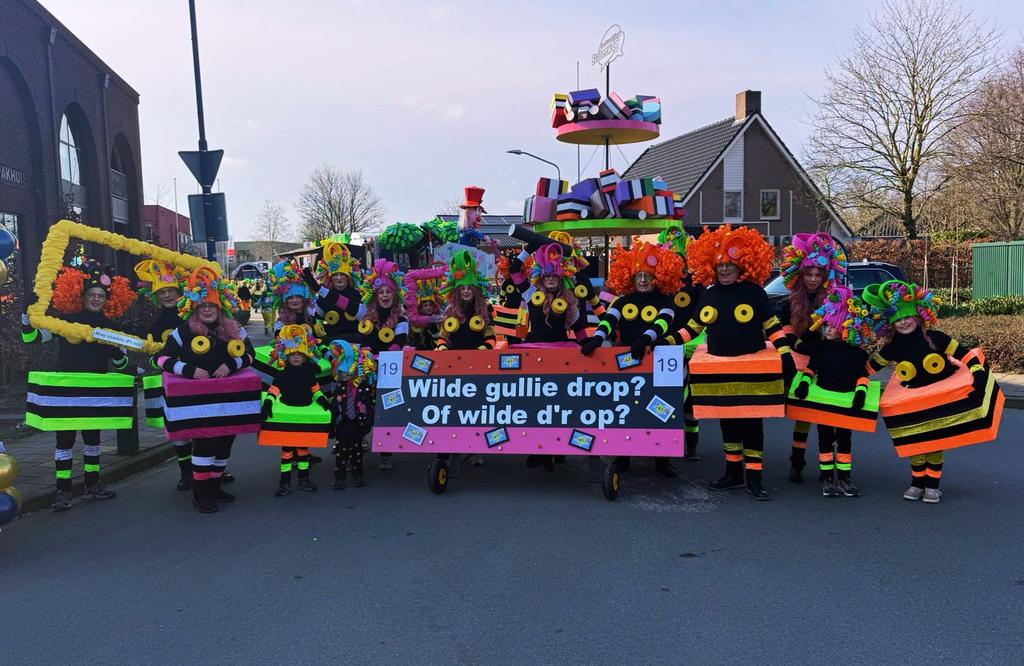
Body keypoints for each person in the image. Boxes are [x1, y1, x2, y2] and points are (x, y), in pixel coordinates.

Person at [666, 225, 795, 501]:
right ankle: (733, 472)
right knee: (728, 423)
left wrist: (785, 354)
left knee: (752, 424)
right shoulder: (709, 295)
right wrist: (663, 343)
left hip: (751, 368)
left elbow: (772, 326)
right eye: (720, 264)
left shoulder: (755, 293)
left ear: (742, 263)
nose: (724, 269)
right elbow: (692, 327)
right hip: (720, 369)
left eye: (729, 264)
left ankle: (755, 478)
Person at [863, 280, 1003, 504]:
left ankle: (932, 487)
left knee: (935, 442)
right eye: (896, 320)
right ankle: (917, 483)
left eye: (906, 316)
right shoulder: (892, 348)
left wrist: (978, 375)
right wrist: (849, 377)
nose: (902, 322)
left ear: (918, 316)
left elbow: (967, 356)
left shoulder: (936, 338)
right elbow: (870, 367)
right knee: (916, 442)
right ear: (890, 324)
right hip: (914, 399)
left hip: (941, 398)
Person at [22, 259, 136, 511]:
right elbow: (31, 338)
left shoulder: (111, 327)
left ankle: (92, 485)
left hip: (95, 392)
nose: (96, 299)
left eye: (100, 295)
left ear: (107, 299)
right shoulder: (65, 321)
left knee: (93, 440)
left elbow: (121, 362)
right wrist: (25, 315)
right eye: (91, 294)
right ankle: (62, 491)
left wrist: (114, 353)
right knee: (64, 442)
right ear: (81, 296)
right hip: (67, 392)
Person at [156, 267, 255, 513]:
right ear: (195, 309)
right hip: (198, 404)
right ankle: (201, 494)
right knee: (205, 445)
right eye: (202, 307)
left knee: (224, 443)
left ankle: (215, 485)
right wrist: (187, 370)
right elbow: (160, 359)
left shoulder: (234, 329)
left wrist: (231, 364)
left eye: (211, 306)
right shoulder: (182, 332)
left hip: (228, 399)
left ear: (219, 307)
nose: (207, 310)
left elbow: (251, 355)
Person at [581, 240, 681, 477]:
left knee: (661, 409)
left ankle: (662, 458)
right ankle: (623, 455)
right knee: (624, 408)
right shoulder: (623, 301)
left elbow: (662, 323)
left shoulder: (665, 302)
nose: (644, 281)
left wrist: (644, 339)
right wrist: (597, 338)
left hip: (657, 362)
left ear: (657, 276)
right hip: (625, 362)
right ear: (631, 278)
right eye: (639, 276)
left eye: (648, 276)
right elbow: (609, 320)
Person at [790, 285, 874, 498]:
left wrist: (860, 393)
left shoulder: (856, 354)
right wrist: (803, 384)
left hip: (845, 402)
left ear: (845, 329)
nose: (827, 329)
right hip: (824, 402)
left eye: (832, 326)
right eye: (825, 325)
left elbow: (861, 376)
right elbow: (811, 369)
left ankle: (845, 479)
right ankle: (827, 478)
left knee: (845, 441)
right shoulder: (820, 347)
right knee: (824, 440)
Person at [780, 233, 847, 483]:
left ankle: (826, 466)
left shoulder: (834, 300)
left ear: (825, 276)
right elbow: (784, 333)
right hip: (799, 363)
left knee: (825, 416)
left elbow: (841, 330)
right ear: (801, 274)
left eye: (818, 274)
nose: (813, 279)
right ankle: (797, 462)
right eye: (809, 274)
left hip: (826, 362)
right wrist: (800, 344)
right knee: (803, 416)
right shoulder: (789, 302)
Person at [519, 243, 590, 468]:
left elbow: (579, 328)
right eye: (547, 275)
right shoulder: (531, 295)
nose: (550, 279)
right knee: (534, 404)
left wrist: (588, 344)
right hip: (534, 353)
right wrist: (527, 248)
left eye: (554, 276)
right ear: (541, 277)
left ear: (561, 279)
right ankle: (535, 450)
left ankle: (558, 447)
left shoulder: (569, 301)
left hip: (561, 355)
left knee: (557, 404)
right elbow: (513, 270)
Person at [135, 259, 192, 491]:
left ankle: (208, 468)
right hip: (172, 382)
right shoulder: (156, 325)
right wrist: (163, 361)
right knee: (179, 428)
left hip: (197, 379)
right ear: (156, 297)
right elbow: (151, 357)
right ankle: (186, 473)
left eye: (171, 291)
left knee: (203, 423)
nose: (167, 296)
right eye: (162, 292)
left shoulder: (192, 315)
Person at [653, 226, 704, 460]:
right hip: (666, 349)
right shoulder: (660, 286)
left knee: (691, 403)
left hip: (693, 347)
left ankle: (691, 446)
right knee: (665, 398)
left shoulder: (697, 284)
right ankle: (665, 447)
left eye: (678, 257)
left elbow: (704, 316)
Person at [262, 324, 331, 496]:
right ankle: (284, 482)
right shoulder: (282, 374)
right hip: (287, 418)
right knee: (286, 452)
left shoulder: (309, 374)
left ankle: (303, 479)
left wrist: (323, 401)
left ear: (305, 356)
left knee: (303, 451)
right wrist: (268, 404)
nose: (295, 357)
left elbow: (315, 390)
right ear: (287, 355)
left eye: (299, 354)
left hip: (304, 418)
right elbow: (273, 390)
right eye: (292, 354)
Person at [358, 258, 407, 470]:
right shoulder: (366, 316)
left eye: (388, 292)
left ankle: (386, 452)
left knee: (386, 410)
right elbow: (363, 342)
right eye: (381, 293)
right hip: (368, 369)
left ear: (394, 295)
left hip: (389, 370)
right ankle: (360, 440)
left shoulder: (402, 319)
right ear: (376, 296)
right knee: (364, 406)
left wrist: (382, 358)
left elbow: (399, 343)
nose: (385, 296)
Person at [326, 339, 377, 489]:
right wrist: (331, 427)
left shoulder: (365, 389)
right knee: (341, 454)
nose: (344, 375)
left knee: (357, 453)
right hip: (342, 426)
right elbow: (334, 407)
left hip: (357, 426)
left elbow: (369, 407)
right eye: (341, 372)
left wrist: (367, 424)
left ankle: (358, 476)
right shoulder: (339, 388)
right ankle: (339, 478)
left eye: (347, 371)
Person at [301, 241, 363, 343]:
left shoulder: (357, 295)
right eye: (335, 275)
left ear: (348, 277)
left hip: (356, 343)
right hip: (332, 344)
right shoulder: (323, 298)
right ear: (330, 277)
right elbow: (318, 323)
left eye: (342, 274)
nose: (339, 278)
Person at [402, 265, 445, 351]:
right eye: (425, 305)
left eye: (430, 305)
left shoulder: (438, 319)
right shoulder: (413, 320)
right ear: (420, 307)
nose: (428, 307)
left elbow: (440, 339)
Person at [269, 259, 315, 336]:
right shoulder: (281, 323)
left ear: (303, 299)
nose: (294, 300)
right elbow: (280, 343)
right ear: (285, 301)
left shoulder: (310, 318)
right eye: (290, 298)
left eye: (298, 297)